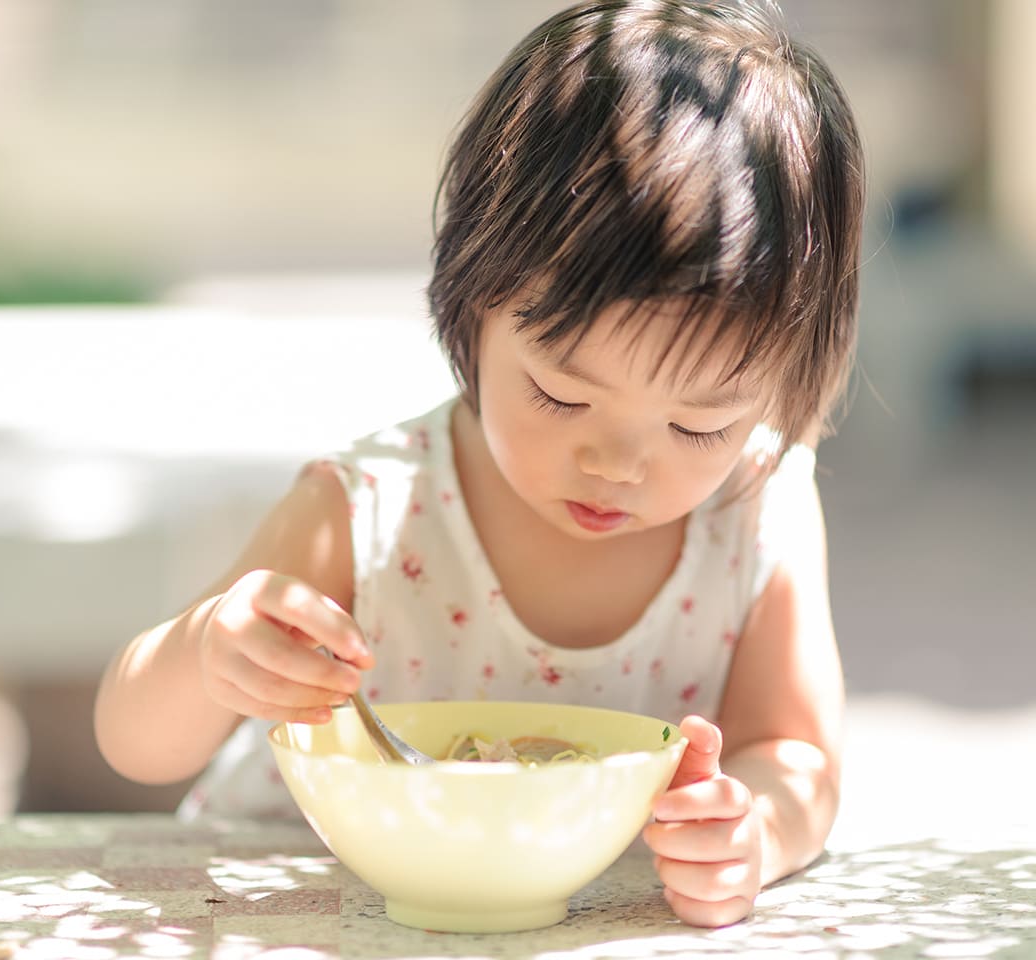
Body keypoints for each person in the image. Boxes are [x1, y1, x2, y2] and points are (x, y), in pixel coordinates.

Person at [95, 0, 865, 928]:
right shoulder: (373, 506)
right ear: (471, 313)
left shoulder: (759, 506)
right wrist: (208, 652)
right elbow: (133, 744)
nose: (616, 462)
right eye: (561, 397)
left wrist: (754, 831)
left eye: (700, 426)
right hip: (298, 903)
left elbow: (797, 753)